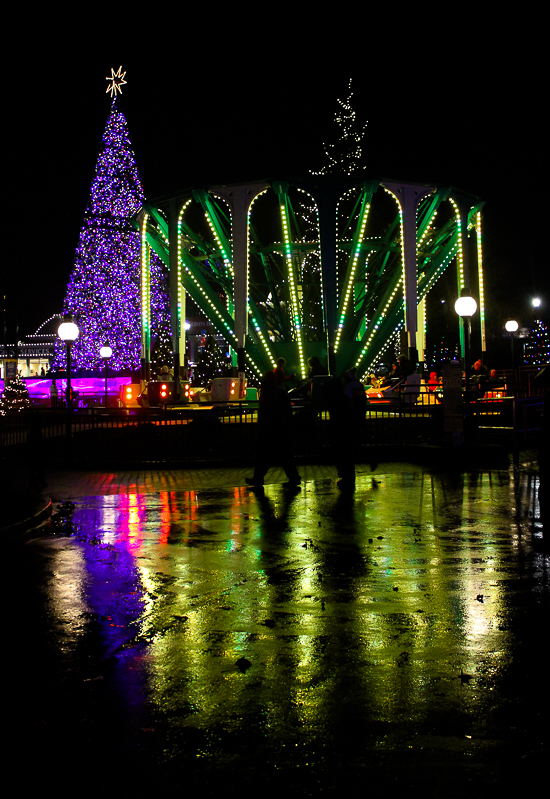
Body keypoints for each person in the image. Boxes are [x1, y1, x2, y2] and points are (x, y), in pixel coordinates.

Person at [245, 370, 301, 490]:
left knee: (264, 456)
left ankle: (258, 479)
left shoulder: (267, 392)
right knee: (285, 455)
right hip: (281, 427)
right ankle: (294, 477)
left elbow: (266, 412)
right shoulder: (280, 390)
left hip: (270, 428)